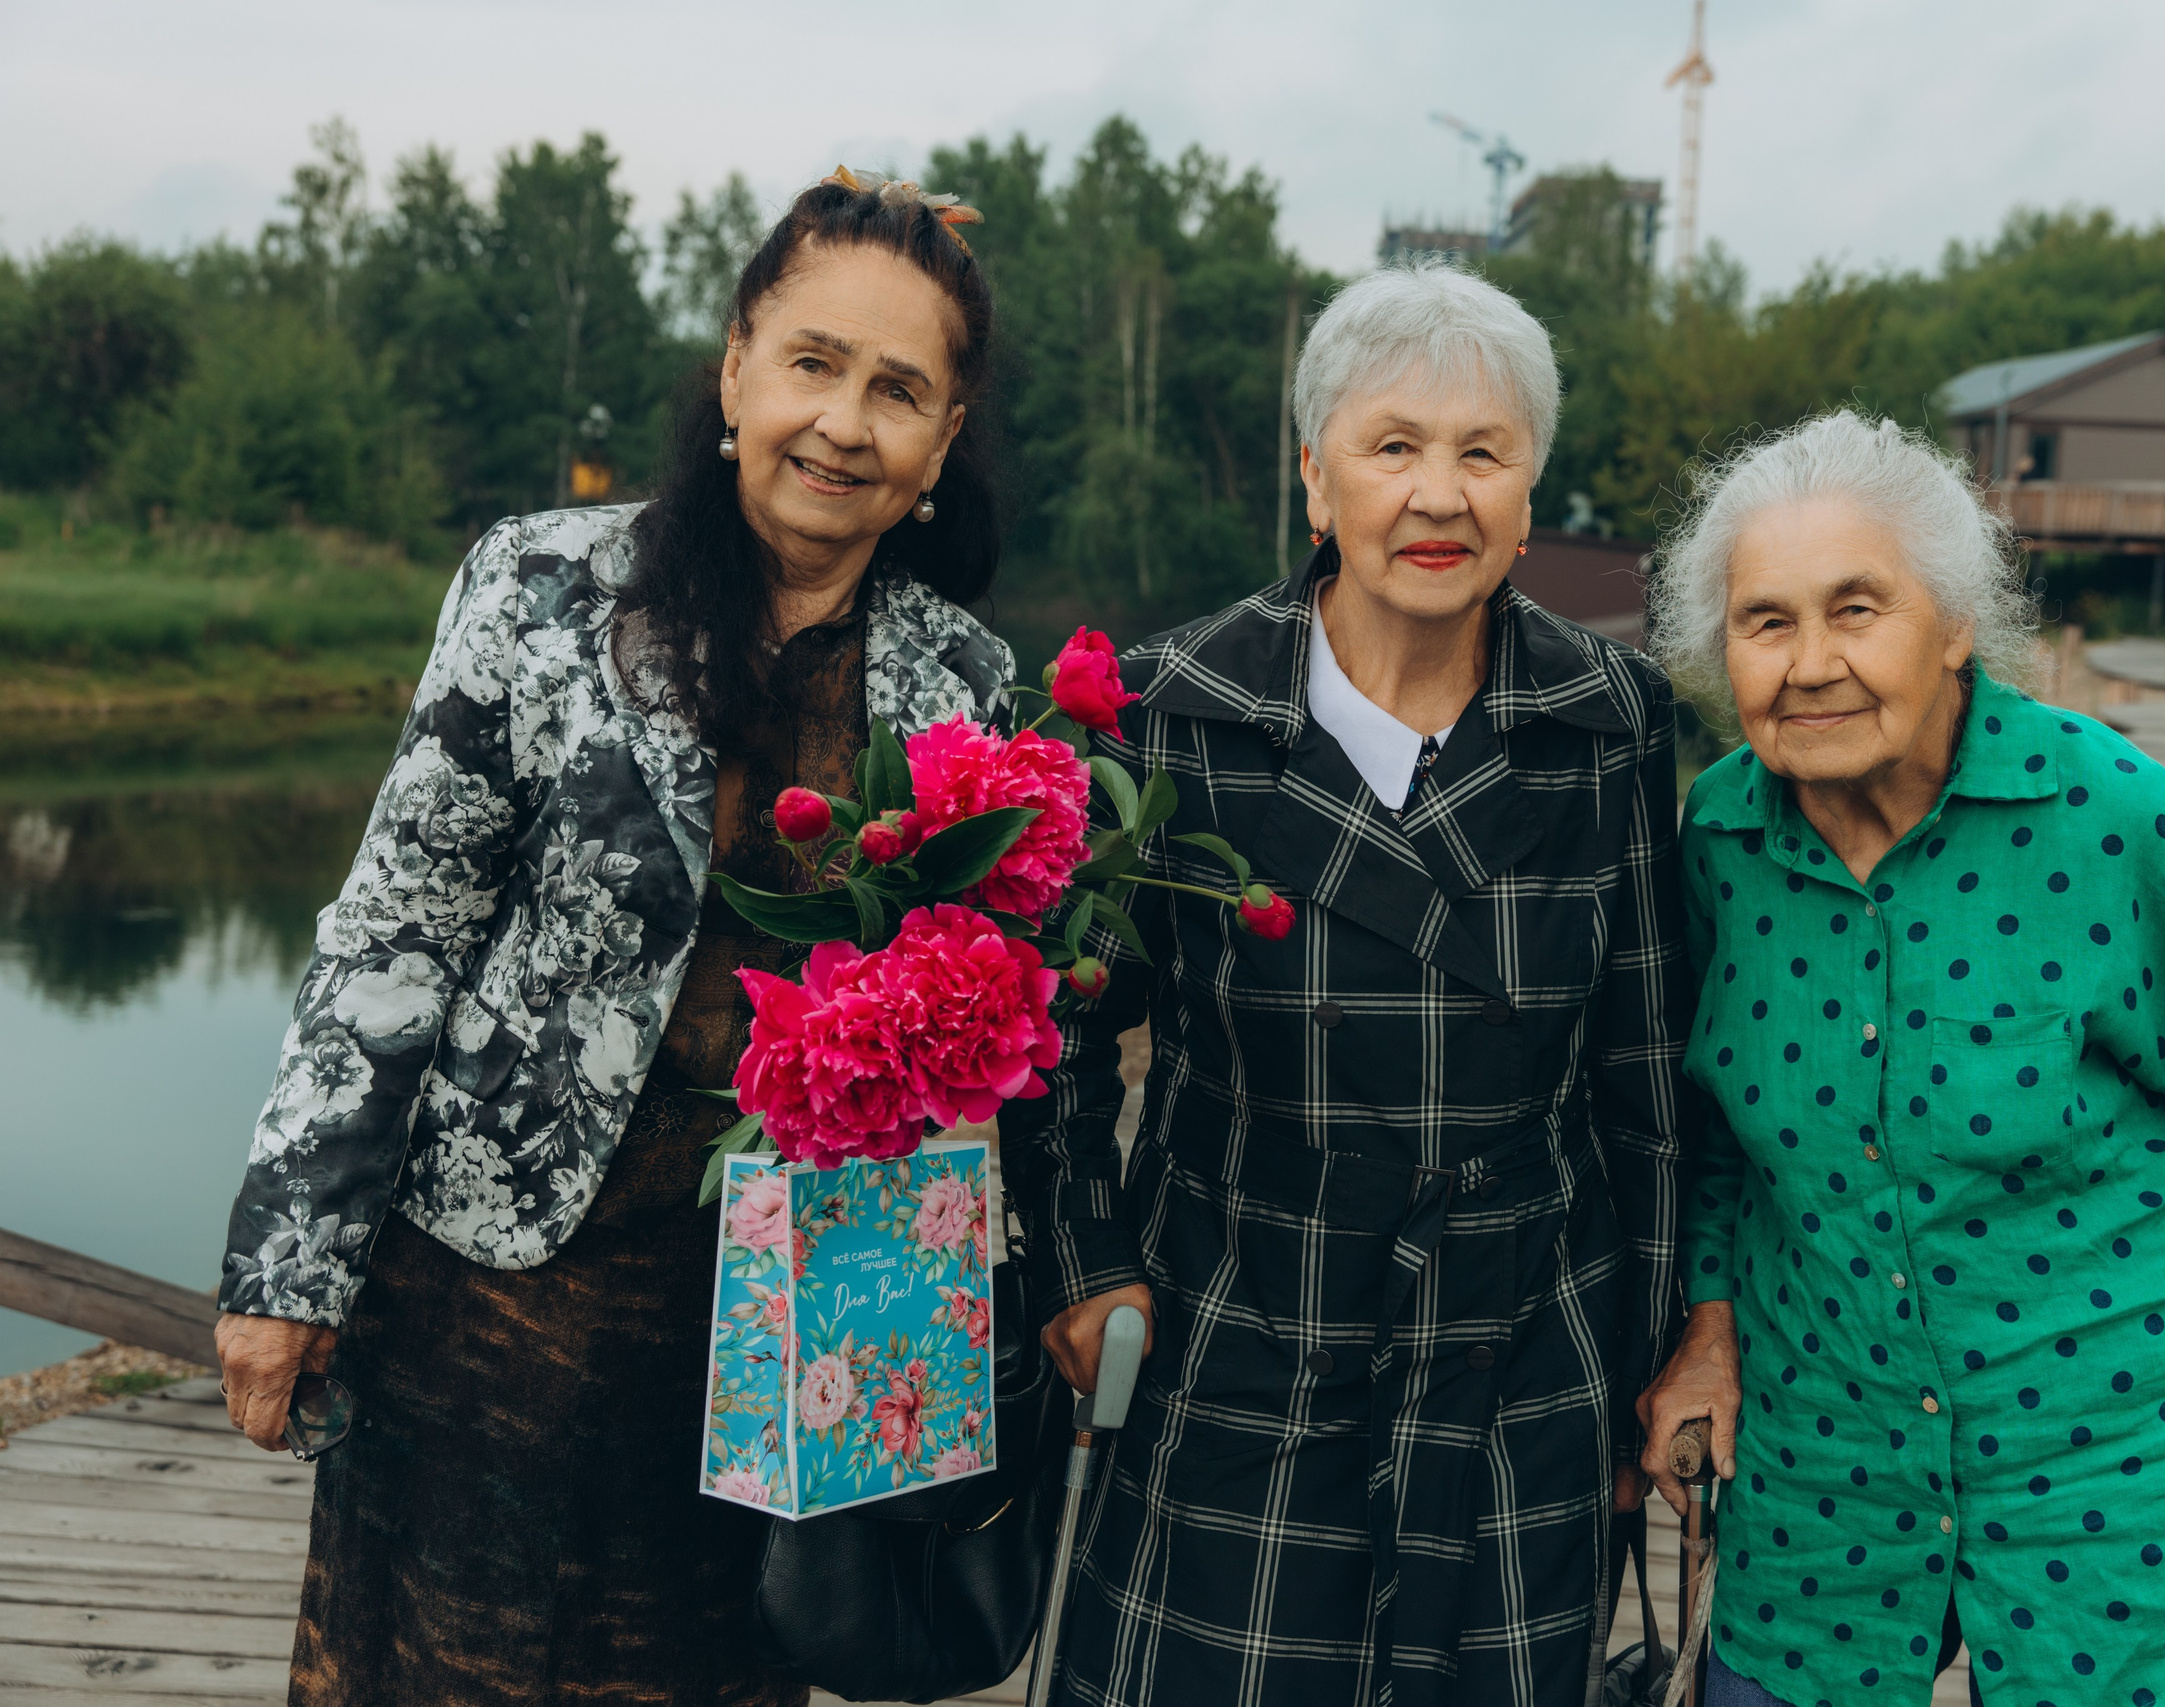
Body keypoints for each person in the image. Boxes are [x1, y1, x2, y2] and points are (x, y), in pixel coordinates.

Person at [212, 169, 1015, 1706]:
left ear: (942, 443)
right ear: (734, 370)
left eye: (898, 389)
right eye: (812, 362)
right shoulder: (541, 589)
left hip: (772, 1347)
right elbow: (396, 934)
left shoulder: (965, 688)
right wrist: (287, 1264)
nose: (844, 421)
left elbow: (978, 1039)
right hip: (485, 1309)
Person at [1000, 260, 1697, 1707]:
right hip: (1238, 1334)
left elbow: (1645, 1068)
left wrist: (1662, 1344)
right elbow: (1050, 1034)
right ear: (1316, 478)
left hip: (1522, 1352)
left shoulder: (1611, 719)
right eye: (1394, 448)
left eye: (1482, 454)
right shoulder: (1167, 710)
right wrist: (1085, 1261)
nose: (1437, 496)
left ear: (1528, 496)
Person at [1634, 410, 2165, 1707]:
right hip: (1832, 1479)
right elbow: (1712, 1136)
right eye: (1767, 623)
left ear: (1956, 627)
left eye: (1856, 609)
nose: (1811, 663)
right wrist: (1707, 1333)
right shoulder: (1718, 845)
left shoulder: (2106, 813)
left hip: (2132, 1465)